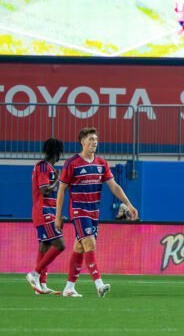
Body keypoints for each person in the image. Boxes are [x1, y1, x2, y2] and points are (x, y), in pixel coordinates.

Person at [54, 127, 139, 298]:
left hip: (94, 212)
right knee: (90, 244)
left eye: (96, 139)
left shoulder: (101, 163)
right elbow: (61, 189)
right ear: (82, 142)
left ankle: (69, 288)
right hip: (79, 211)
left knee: (79, 247)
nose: (95, 142)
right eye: (91, 139)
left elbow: (113, 186)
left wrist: (128, 204)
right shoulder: (72, 163)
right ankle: (99, 285)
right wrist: (58, 216)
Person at [26, 138, 66, 295]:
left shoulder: (45, 167)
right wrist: (57, 179)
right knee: (60, 245)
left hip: (46, 211)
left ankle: (41, 285)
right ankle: (34, 273)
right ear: (57, 153)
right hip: (44, 212)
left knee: (45, 246)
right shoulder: (44, 167)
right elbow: (44, 191)